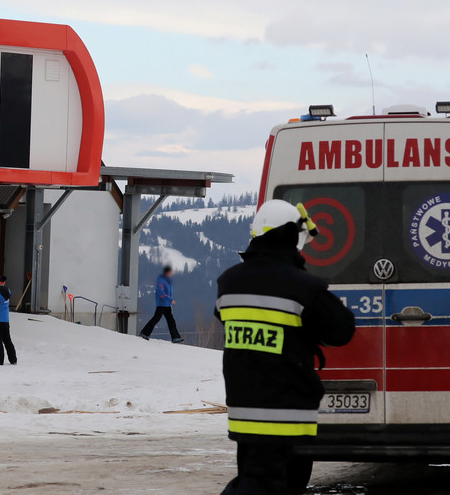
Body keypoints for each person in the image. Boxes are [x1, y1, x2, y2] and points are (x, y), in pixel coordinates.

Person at [217, 200, 356, 495]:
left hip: (245, 412)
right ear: (291, 237)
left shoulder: (228, 282)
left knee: (258, 480)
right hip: (287, 413)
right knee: (265, 486)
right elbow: (342, 330)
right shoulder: (303, 287)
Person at [140, 266, 183, 343]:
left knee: (171, 321)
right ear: (167, 273)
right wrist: (170, 300)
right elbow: (161, 293)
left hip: (167, 305)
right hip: (161, 305)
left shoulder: (168, 282)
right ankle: (144, 333)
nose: (172, 274)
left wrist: (170, 302)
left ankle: (175, 337)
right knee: (156, 319)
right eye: (170, 272)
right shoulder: (161, 281)